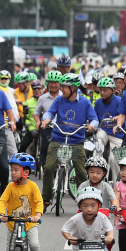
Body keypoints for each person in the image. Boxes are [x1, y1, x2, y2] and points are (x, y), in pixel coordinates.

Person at [40, 73, 98, 207]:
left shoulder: (85, 102)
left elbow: (94, 119)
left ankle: (84, 201)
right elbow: (50, 112)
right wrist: (47, 119)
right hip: (58, 139)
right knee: (48, 168)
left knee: (82, 173)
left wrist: (92, 126)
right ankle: (46, 199)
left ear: (72, 88)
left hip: (76, 141)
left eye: (64, 87)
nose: (61, 89)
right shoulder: (59, 100)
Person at [0, 153, 43, 251]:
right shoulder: (10, 187)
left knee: (34, 245)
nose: (12, 172)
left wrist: (37, 216)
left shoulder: (33, 186)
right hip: (13, 224)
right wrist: (2, 214)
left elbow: (39, 201)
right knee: (8, 250)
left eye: (16, 170)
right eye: (12, 169)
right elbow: (3, 200)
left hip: (29, 224)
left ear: (26, 173)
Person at [93, 77, 123, 180]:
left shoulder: (119, 101)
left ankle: (116, 186)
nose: (102, 92)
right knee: (99, 139)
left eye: (105, 90)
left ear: (112, 90)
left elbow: (125, 115)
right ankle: (96, 170)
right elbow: (95, 118)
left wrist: (118, 117)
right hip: (104, 130)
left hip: (117, 134)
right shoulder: (97, 103)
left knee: (113, 159)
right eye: (100, 90)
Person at [32, 70, 61, 168]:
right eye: (51, 82)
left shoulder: (64, 97)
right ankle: (46, 168)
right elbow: (36, 113)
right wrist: (38, 122)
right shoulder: (42, 98)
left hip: (62, 128)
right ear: (47, 83)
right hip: (48, 127)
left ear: (60, 83)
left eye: (55, 82)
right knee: (45, 148)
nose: (53, 85)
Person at [19, 81, 42, 153]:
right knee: (22, 146)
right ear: (32, 90)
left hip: (44, 129)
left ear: (41, 89)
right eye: (34, 89)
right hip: (32, 129)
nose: (37, 90)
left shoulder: (45, 100)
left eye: (38, 88)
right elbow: (25, 118)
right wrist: (32, 129)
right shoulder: (28, 102)